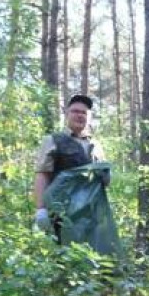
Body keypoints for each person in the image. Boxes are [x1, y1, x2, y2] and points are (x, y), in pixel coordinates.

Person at [33, 93, 106, 239]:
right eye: (75, 111)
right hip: (61, 211)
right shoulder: (54, 140)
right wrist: (41, 209)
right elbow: (43, 174)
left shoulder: (95, 145)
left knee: (88, 256)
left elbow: (103, 182)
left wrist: (106, 176)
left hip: (89, 212)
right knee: (62, 253)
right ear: (67, 114)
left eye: (84, 112)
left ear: (88, 117)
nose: (80, 115)